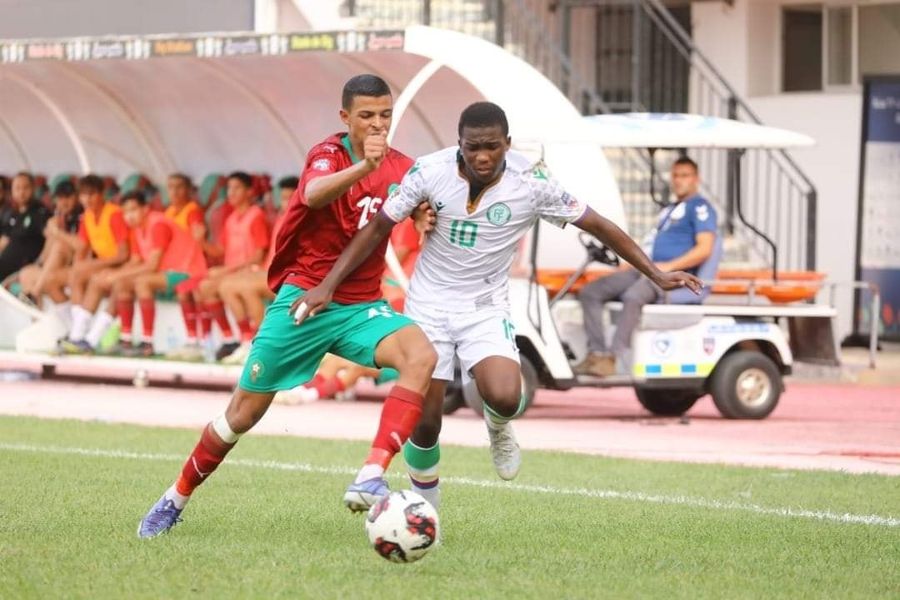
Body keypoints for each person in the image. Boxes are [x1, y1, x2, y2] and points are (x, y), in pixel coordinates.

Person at [297, 102, 702, 510]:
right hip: (429, 305)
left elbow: (599, 225)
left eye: (492, 146)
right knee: (425, 422)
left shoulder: (533, 181)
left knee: (507, 396)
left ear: (507, 144)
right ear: (460, 144)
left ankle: (498, 426)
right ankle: (426, 511)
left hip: (484, 307)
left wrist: (654, 274)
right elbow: (378, 228)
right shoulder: (430, 172)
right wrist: (328, 286)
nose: (482, 156)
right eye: (473, 147)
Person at [137, 74, 437, 538]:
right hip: (304, 299)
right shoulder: (327, 154)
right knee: (241, 415)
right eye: (366, 116)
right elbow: (315, 193)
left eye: (384, 115)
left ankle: (370, 474)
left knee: (421, 354)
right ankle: (174, 498)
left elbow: (422, 197)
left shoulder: (403, 166)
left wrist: (422, 213)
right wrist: (364, 168)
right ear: (345, 118)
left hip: (360, 305)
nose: (378, 124)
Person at [575, 157, 717, 377]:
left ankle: (613, 358)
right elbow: (650, 245)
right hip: (648, 270)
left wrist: (668, 267)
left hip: (674, 278)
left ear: (696, 179)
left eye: (685, 176)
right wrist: (630, 262)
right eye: (676, 175)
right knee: (591, 292)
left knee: (633, 296)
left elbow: (704, 248)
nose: (679, 181)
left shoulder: (700, 208)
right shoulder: (669, 210)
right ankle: (597, 354)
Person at [111, 191, 209, 356]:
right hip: (168, 272)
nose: (129, 216)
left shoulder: (157, 224)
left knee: (142, 282)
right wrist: (116, 274)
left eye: (133, 210)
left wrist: (117, 275)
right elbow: (135, 261)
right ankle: (125, 338)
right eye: (125, 212)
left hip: (187, 270)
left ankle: (147, 343)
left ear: (145, 209)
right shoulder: (137, 229)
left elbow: (152, 265)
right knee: (122, 284)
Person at [217, 176, 299, 365]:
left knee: (246, 288)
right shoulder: (281, 217)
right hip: (270, 272)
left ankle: (261, 345)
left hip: (290, 277)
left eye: (290, 198)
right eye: (283, 198)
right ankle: (246, 341)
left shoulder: (305, 219)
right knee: (227, 286)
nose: (286, 202)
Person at [192, 171, 269, 361]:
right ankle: (229, 339)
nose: (231, 193)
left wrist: (226, 270)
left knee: (223, 286)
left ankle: (247, 340)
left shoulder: (256, 215)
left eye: (237, 188)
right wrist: (200, 241)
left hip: (250, 271)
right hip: (233, 272)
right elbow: (220, 250)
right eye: (229, 188)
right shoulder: (231, 218)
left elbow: (259, 255)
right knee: (202, 287)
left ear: (249, 192)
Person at [57, 175, 130, 351]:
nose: (87, 199)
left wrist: (90, 266)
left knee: (96, 278)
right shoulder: (87, 216)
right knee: (77, 273)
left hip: (124, 264)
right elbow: (82, 249)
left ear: (102, 194)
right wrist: (79, 269)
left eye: (92, 194)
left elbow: (123, 255)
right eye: (83, 195)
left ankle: (85, 336)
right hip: (106, 263)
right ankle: (78, 335)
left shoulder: (114, 214)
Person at [16, 181, 83, 320]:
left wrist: (58, 233)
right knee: (26, 273)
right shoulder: (58, 218)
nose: (64, 202)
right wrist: (52, 232)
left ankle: (34, 293)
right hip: (56, 268)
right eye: (60, 198)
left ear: (76, 197)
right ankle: (36, 321)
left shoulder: (83, 215)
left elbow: (81, 246)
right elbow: (46, 255)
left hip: (78, 267)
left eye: (68, 197)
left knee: (59, 246)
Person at [0, 172, 51, 282]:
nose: (21, 192)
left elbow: (51, 238)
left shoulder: (40, 213)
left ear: (33, 188)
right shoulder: (12, 214)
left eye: (25, 187)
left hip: (22, 268)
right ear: (12, 191)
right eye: (17, 188)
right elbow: (4, 241)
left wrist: (40, 263)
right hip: (4, 266)